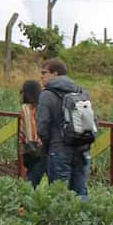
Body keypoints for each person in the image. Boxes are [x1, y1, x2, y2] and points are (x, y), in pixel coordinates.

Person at [37, 58, 94, 198]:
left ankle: (61, 220)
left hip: (58, 149)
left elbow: (42, 126)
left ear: (55, 74)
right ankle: (83, 219)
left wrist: (47, 144)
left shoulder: (47, 94)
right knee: (80, 191)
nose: (41, 76)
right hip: (82, 147)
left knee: (58, 194)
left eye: (44, 73)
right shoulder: (81, 91)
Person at [19, 79, 46, 187]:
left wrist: (31, 145)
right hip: (46, 147)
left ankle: (25, 202)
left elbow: (30, 130)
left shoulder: (26, 108)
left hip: (33, 149)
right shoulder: (43, 107)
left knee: (31, 181)